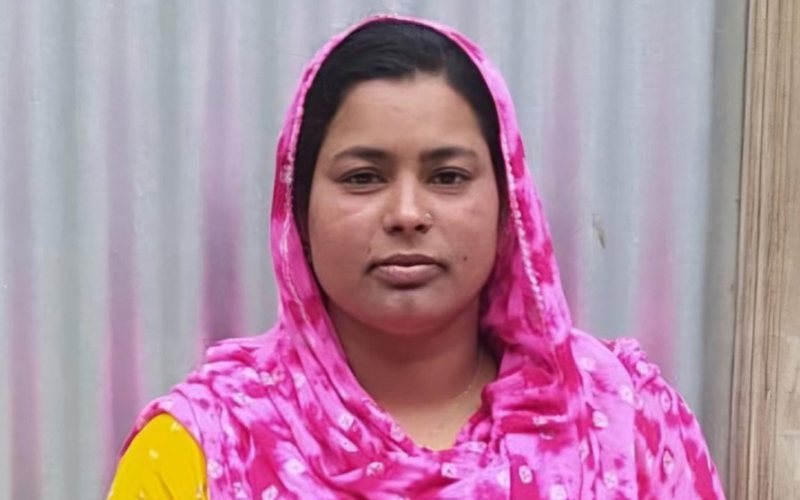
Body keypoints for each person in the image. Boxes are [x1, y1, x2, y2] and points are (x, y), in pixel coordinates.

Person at [107, 15, 726, 499]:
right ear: (297, 213)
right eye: (363, 177)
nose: (407, 213)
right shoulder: (203, 451)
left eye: (448, 176)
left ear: (509, 205)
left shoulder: (622, 423)